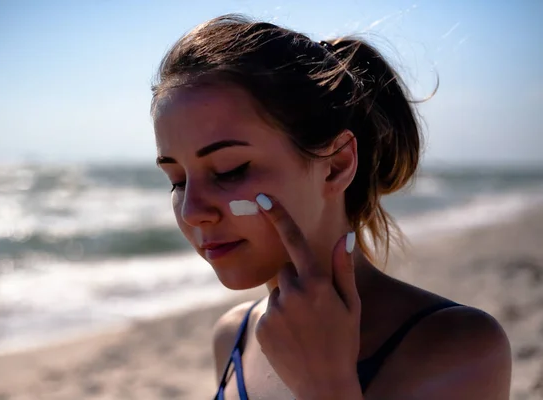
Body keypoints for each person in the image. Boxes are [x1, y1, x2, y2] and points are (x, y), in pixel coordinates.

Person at [151, 14, 512, 400]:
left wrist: (326, 388)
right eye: (178, 181)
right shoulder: (232, 337)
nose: (191, 211)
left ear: (337, 164)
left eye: (230, 170)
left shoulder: (458, 348)